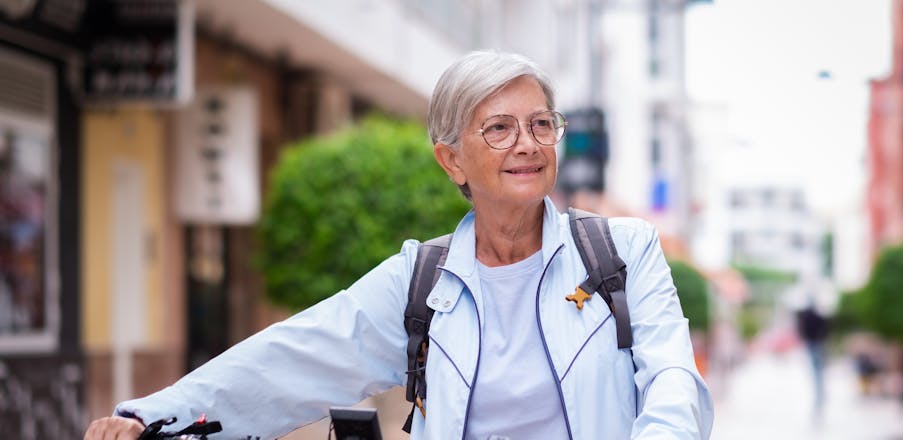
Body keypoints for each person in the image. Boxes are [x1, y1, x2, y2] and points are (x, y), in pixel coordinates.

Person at [85, 50, 713, 440]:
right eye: (498, 128)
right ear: (452, 160)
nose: (527, 142)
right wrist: (152, 416)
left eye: (541, 124)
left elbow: (672, 382)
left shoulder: (621, 252)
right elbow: (290, 359)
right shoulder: (422, 279)